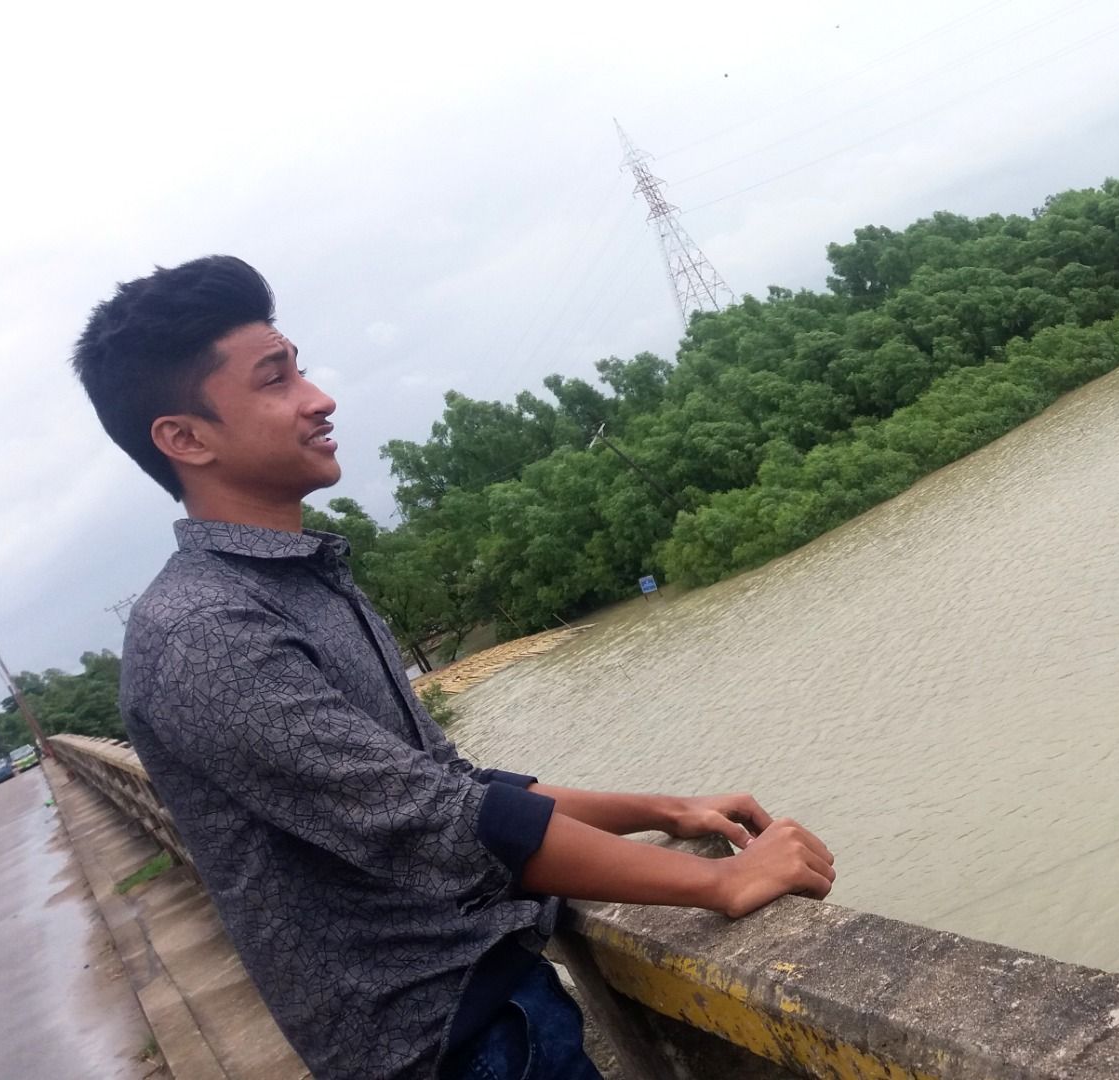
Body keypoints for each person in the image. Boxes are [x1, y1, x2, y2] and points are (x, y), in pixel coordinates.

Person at [71, 255, 837, 1080]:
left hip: (499, 1011)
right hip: (447, 1044)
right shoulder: (205, 630)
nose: (319, 397)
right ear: (184, 438)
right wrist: (714, 885)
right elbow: (432, 820)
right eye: (276, 378)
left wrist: (665, 808)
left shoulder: (302, 580)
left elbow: (449, 781)